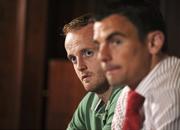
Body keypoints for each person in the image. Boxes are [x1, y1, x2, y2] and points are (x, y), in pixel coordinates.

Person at [93, 1, 180, 130]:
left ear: (153, 43)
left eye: (116, 42)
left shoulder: (170, 93)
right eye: (98, 45)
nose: (102, 56)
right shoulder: (129, 93)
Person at [63, 13, 123, 130]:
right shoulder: (89, 102)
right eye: (73, 59)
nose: (80, 66)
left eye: (88, 53)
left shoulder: (126, 94)